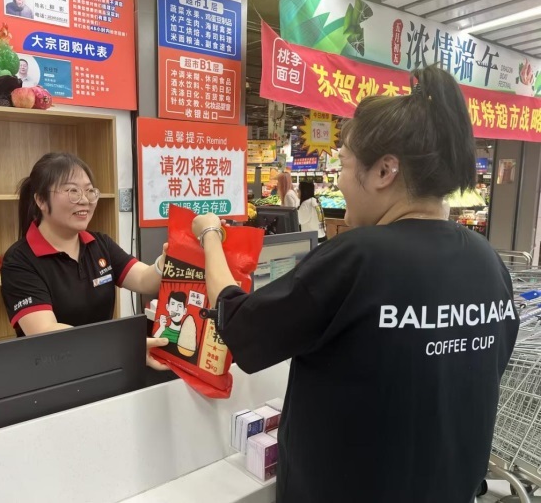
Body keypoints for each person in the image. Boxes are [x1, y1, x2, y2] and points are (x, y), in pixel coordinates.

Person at [191, 65, 519, 502]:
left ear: (385, 171)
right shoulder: (488, 262)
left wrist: (210, 236)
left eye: (344, 163)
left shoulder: (359, 257)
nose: (341, 180)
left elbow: (239, 324)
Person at [1, 153, 169, 369]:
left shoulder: (100, 244)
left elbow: (145, 280)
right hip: (52, 371)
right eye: (73, 191)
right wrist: (122, 345)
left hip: (105, 363)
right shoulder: (19, 261)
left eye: (89, 191)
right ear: (41, 200)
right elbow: (46, 332)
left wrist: (165, 262)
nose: (85, 200)